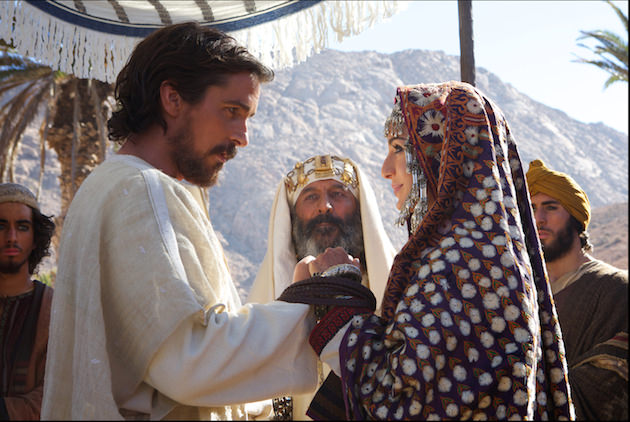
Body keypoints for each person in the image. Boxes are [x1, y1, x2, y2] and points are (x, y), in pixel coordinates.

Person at [41, 22, 355, 420]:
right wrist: (313, 307)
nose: (243, 136)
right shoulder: (138, 190)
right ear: (172, 98)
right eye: (231, 112)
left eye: (248, 117)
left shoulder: (120, 186)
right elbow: (189, 361)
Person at [295, 81, 575, 419]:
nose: (385, 169)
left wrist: (336, 291)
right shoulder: (481, 254)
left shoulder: (462, 265)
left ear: (441, 154)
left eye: (399, 148)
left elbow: (405, 398)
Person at [247, 154, 397, 419]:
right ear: (293, 215)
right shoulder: (263, 297)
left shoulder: (396, 290)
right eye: (311, 196)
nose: (325, 207)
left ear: (359, 208)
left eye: (338, 194)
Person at [526, 159, 628, 420]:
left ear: (575, 218)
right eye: (532, 208)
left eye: (550, 208)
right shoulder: (522, 296)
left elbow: (613, 383)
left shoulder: (616, 289)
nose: (539, 219)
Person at [0, 183, 55, 420]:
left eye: (22, 227)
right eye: (0, 226)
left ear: (35, 239)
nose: (11, 238)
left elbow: (59, 388)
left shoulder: (55, 310)